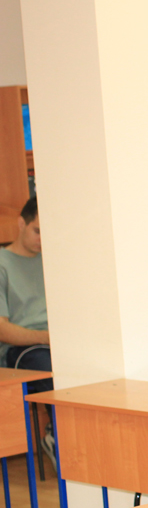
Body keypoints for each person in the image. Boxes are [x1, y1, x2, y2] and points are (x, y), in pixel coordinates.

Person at [0, 196, 54, 465]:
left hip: (52, 341)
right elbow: (3, 330)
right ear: (21, 223)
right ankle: (58, 437)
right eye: (37, 231)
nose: (42, 240)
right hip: (20, 349)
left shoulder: (52, 262)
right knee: (50, 367)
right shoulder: (2, 264)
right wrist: (47, 338)